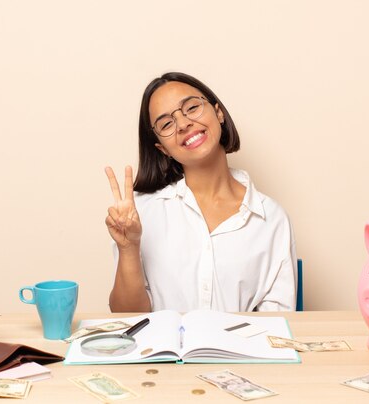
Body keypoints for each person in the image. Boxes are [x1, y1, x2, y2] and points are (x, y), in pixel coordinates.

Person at [105, 72, 297, 313]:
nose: (184, 124)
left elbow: (278, 324)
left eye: (192, 108)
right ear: (162, 148)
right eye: (167, 124)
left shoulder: (272, 219)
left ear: (218, 112)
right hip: (163, 351)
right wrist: (128, 248)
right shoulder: (140, 213)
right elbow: (126, 317)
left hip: (242, 352)